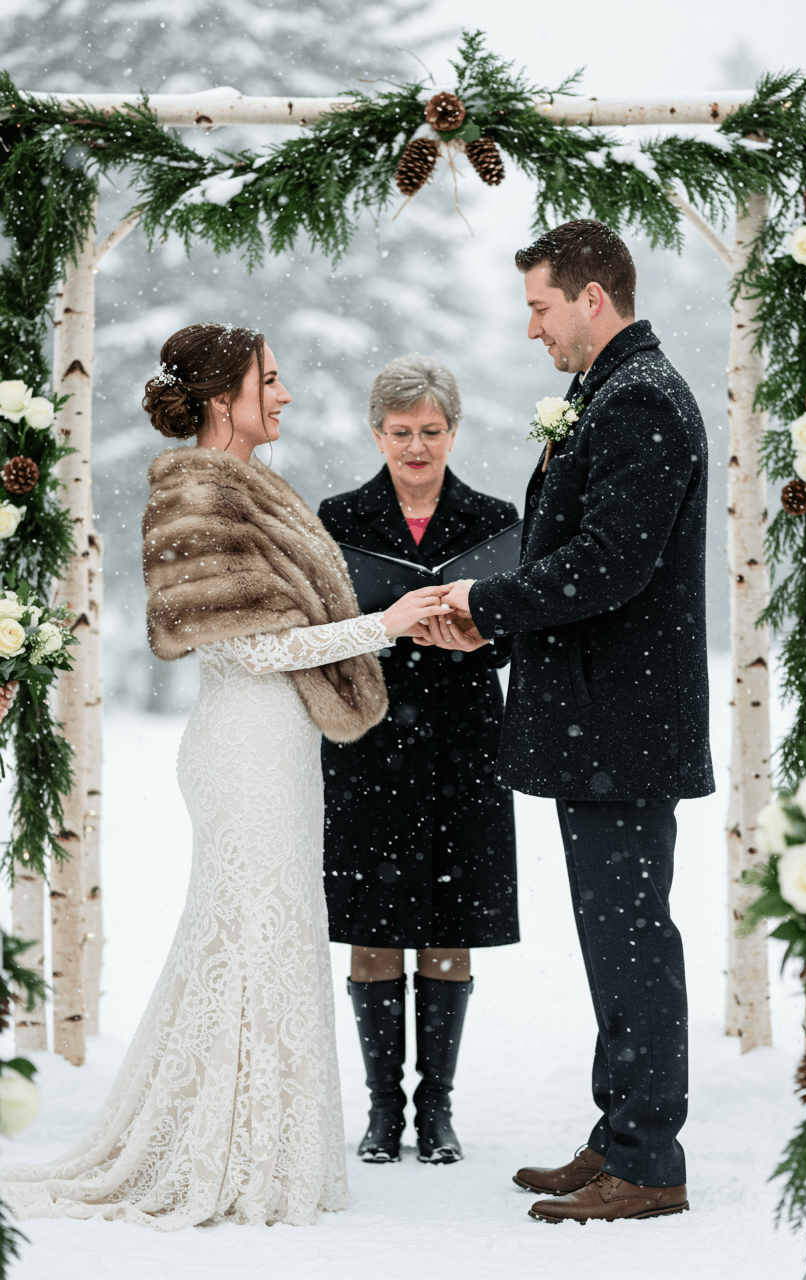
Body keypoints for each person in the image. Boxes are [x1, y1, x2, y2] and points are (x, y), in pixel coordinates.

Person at [0, 323, 452, 1230]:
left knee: (268, 940)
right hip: (243, 744)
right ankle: (224, 1150)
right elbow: (255, 647)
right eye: (269, 381)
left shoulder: (247, 485)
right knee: (247, 941)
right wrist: (389, 623)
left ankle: (261, 1140)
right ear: (221, 400)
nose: (283, 395)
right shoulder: (198, 493)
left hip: (278, 743)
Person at [434, 220, 714, 1223]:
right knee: (615, 935)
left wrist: (481, 604)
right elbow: (583, 557)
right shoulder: (612, 393)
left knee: (632, 937)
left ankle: (647, 1160)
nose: (530, 329)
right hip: (604, 721)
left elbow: (607, 563)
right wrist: (490, 620)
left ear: (592, 297)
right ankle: (617, 1131)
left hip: (623, 727)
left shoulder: (641, 401)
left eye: (539, 306)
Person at [317, 354, 519, 1165]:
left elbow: (521, 627)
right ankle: (380, 1113)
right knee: (375, 926)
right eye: (400, 433)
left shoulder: (497, 519)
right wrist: (389, 629)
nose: (415, 447)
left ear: (453, 430)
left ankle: (435, 1111)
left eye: (430, 431)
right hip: (368, 742)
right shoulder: (337, 519)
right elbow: (323, 630)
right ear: (376, 433)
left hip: (466, 739)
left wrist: (480, 631)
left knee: (451, 921)